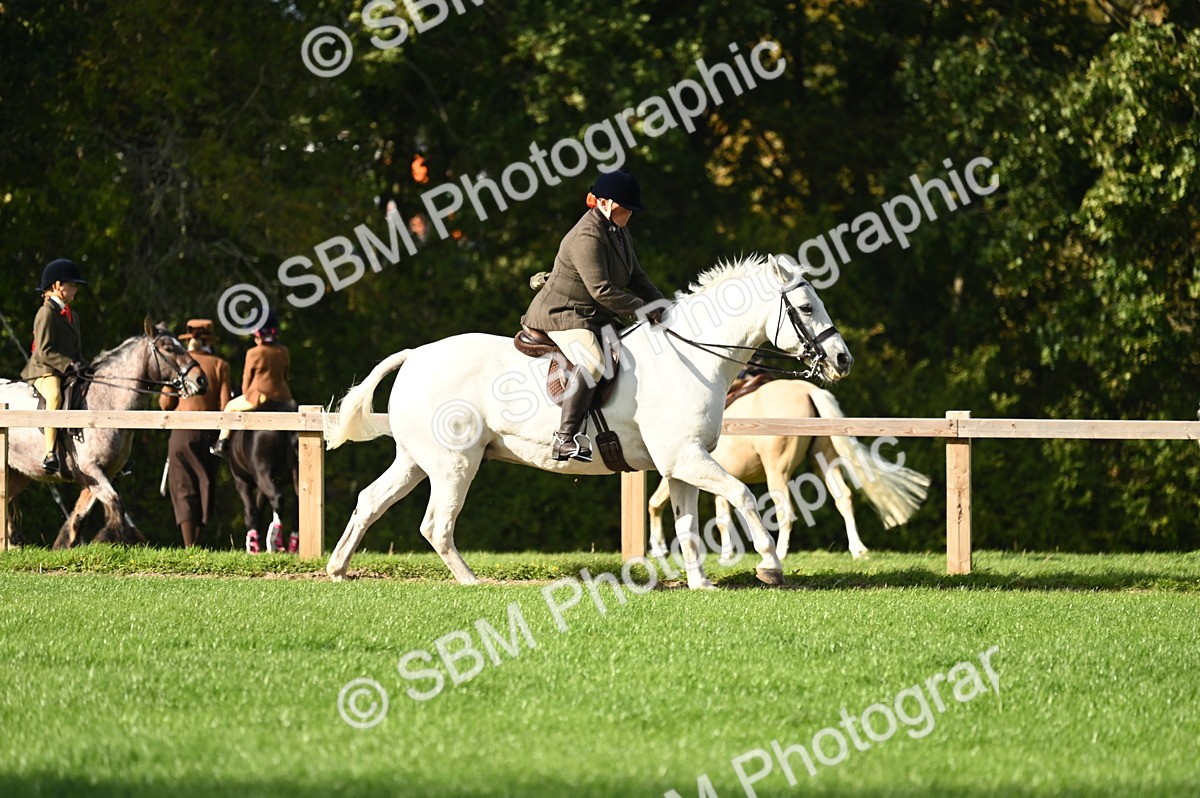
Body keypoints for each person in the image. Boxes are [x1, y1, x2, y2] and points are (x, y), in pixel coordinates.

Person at [521, 169, 667, 462]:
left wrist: (663, 304)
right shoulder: (587, 235)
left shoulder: (618, 231)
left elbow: (636, 276)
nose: (630, 215)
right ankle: (564, 438)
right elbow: (601, 290)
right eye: (626, 209)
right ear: (606, 204)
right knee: (594, 361)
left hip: (590, 314)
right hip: (563, 314)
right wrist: (643, 311)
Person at [159, 319, 232, 547]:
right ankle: (197, 544)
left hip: (181, 433)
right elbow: (225, 405)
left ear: (187, 340)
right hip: (209, 433)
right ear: (209, 340)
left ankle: (188, 545)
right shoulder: (221, 365)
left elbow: (164, 403)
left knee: (182, 486)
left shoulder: (179, 363)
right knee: (205, 483)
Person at [21, 258, 88, 474]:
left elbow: (77, 351)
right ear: (58, 286)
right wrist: (69, 364)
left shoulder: (73, 316)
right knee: (55, 396)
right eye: (72, 285)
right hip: (44, 370)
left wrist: (84, 367)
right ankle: (50, 452)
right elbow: (44, 351)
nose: (75, 289)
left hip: (66, 370)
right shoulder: (46, 312)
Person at [210, 310, 292, 458]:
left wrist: (247, 395)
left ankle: (222, 442)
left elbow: (246, 381)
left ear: (259, 335)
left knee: (230, 407)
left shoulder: (253, 353)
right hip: (283, 397)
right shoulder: (284, 351)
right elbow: (285, 376)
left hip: (261, 396)